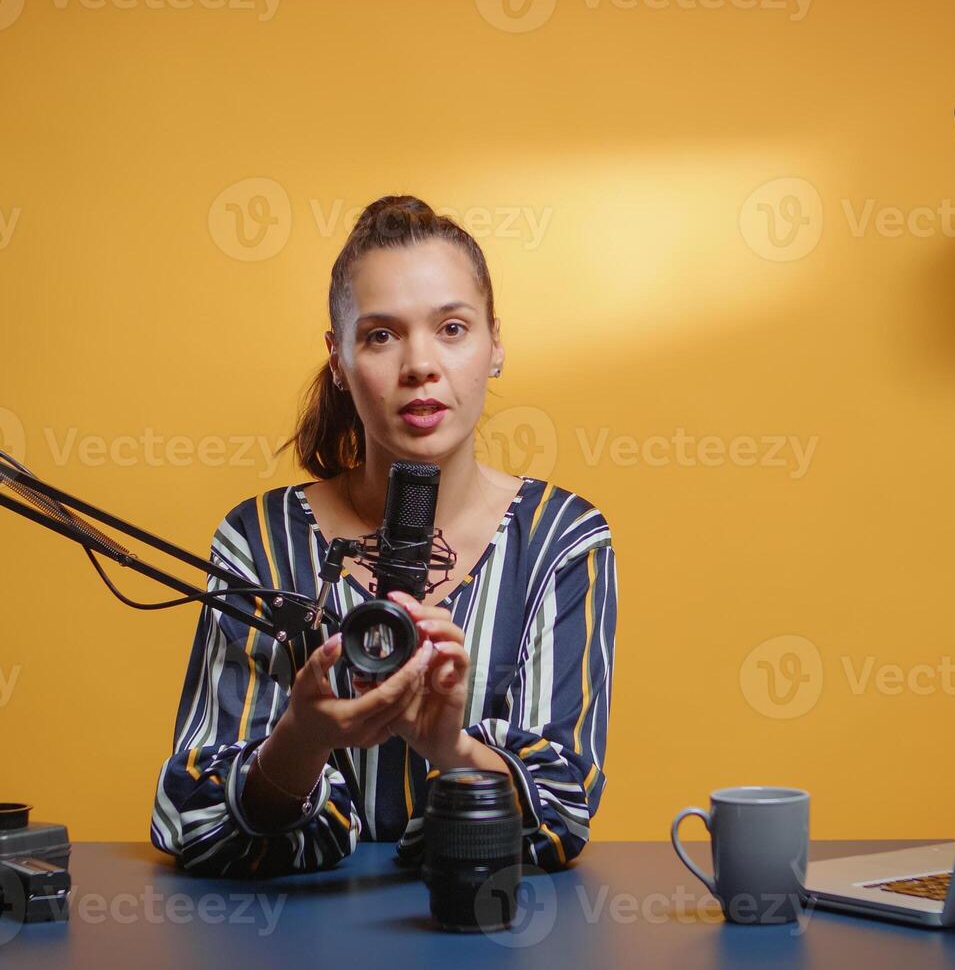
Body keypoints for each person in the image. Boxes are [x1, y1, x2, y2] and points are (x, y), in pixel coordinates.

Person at [150, 195, 618, 877]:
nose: (419, 366)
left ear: (495, 345)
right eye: (380, 335)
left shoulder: (560, 540)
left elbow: (562, 808)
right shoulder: (259, 540)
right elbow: (195, 817)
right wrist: (300, 741)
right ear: (338, 361)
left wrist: (451, 747)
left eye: (452, 328)